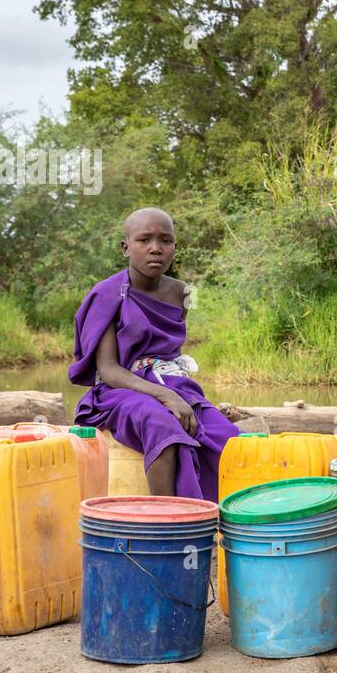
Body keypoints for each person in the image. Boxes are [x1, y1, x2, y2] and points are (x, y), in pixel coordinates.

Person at [68, 207, 239, 501]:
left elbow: (169, 354)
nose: (155, 249)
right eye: (144, 240)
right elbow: (108, 369)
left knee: (227, 438)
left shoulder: (182, 293)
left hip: (173, 384)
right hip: (119, 391)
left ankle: (226, 521)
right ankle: (168, 522)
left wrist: (176, 393)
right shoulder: (107, 294)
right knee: (161, 424)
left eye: (166, 241)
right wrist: (165, 397)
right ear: (125, 248)